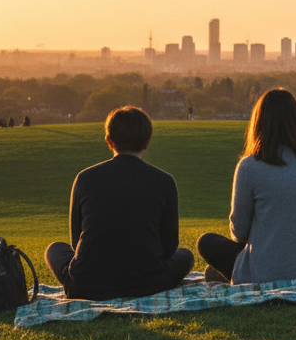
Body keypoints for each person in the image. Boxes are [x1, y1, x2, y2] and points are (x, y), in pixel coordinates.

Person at [197, 88, 296, 284]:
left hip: (270, 272)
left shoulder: (249, 166)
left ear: (259, 123)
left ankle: (233, 272)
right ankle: (231, 271)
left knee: (207, 242)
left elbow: (239, 232)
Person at [45, 107, 194, 300]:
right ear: (147, 141)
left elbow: (76, 242)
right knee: (185, 255)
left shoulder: (85, 178)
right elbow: (169, 247)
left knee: (55, 249)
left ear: (109, 141)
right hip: (150, 283)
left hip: (86, 285)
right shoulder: (164, 181)